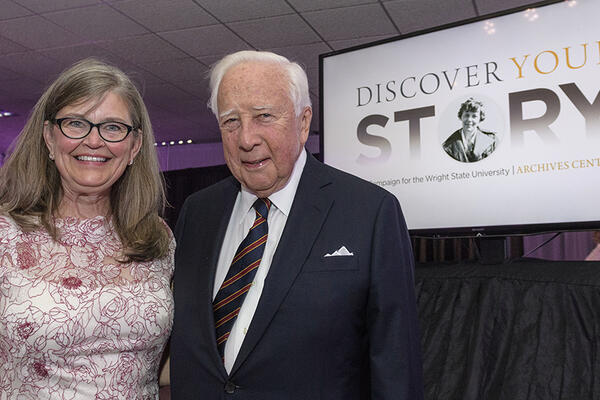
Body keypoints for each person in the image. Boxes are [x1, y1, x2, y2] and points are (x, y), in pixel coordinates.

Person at [170, 50, 423, 399]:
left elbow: (396, 366)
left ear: (303, 123)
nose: (246, 139)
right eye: (231, 121)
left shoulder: (370, 212)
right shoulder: (197, 212)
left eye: (264, 116)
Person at [0, 59, 174, 398]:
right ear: (49, 137)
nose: (94, 141)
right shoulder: (6, 235)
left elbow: (162, 361)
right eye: (76, 124)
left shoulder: (157, 238)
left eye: (113, 127)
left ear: (135, 146)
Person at [443, 97, 497, 162]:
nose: (469, 120)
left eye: (474, 116)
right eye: (466, 115)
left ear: (480, 118)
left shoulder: (492, 140)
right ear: (461, 117)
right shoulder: (448, 145)